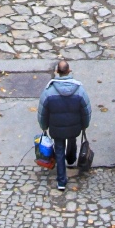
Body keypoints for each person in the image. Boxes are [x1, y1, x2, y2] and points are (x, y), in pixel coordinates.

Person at [37, 59, 92, 190]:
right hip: (74, 127)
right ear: (69, 71)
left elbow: (43, 112)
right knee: (72, 139)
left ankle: (61, 180)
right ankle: (71, 159)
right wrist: (85, 125)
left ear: (57, 72)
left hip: (56, 128)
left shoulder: (48, 92)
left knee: (59, 150)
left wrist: (44, 126)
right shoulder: (79, 90)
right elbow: (86, 111)